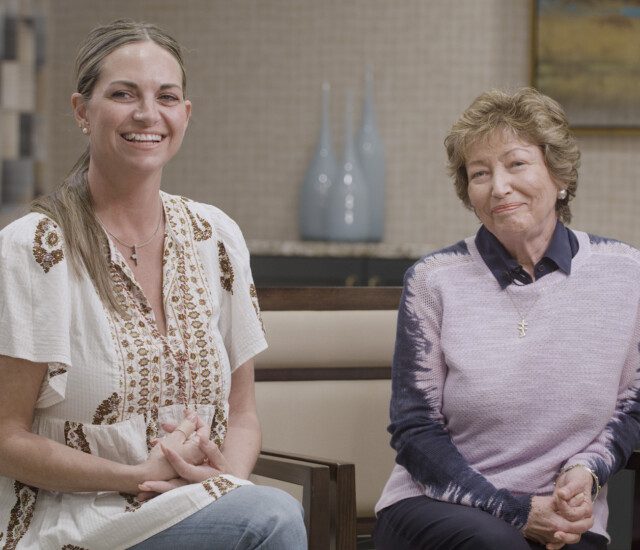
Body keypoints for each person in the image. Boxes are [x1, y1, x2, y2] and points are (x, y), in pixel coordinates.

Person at [0, 19, 306, 550]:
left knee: (264, 512)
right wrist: (137, 475)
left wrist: (220, 484)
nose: (148, 114)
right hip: (76, 520)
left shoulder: (216, 237)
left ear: (185, 115)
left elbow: (244, 411)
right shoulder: (33, 249)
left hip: (196, 504)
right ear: (81, 111)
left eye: (166, 96)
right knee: (273, 517)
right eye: (123, 94)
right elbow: (5, 438)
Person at [373, 87, 640, 550]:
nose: (498, 186)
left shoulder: (626, 275)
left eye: (516, 164)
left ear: (559, 175)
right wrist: (515, 511)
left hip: (564, 523)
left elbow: (633, 405)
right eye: (480, 173)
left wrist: (588, 470)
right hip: (439, 509)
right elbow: (414, 432)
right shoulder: (434, 281)